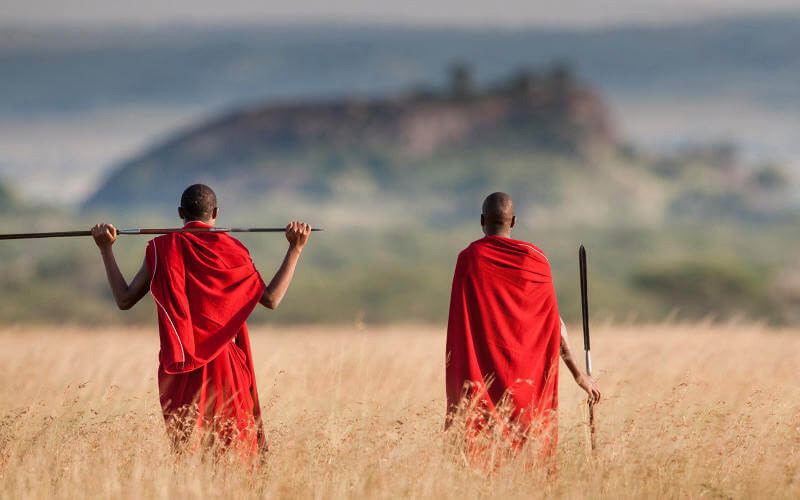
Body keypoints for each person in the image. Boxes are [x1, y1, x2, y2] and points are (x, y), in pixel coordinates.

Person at [90, 184, 311, 456]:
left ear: (180, 212)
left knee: (190, 457)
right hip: (226, 367)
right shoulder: (233, 248)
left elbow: (124, 300)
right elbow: (271, 299)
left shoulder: (163, 247)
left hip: (181, 368)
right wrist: (295, 249)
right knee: (237, 457)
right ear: (216, 212)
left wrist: (105, 249)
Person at [445, 192, 600, 457]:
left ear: (482, 221)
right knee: (529, 461)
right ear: (514, 221)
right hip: (526, 389)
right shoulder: (534, 259)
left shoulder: (468, 259)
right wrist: (579, 375)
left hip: (480, 386)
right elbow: (554, 325)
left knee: (478, 460)